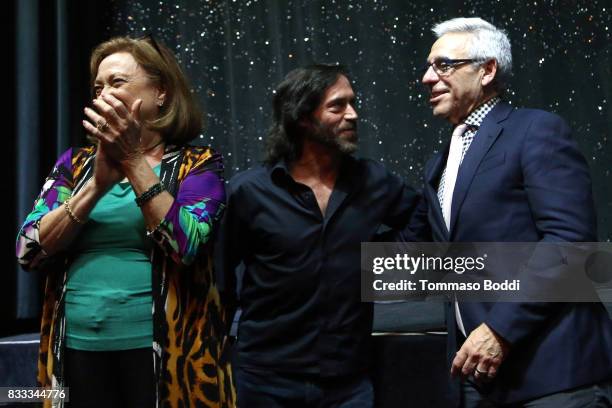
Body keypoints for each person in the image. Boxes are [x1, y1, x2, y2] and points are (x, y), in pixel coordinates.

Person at [16, 36, 235, 408]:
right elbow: (28, 251)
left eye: (116, 83)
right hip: (76, 349)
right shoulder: (74, 164)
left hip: (166, 356)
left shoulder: (197, 164)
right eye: (97, 87)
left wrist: (133, 160)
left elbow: (186, 247)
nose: (102, 94)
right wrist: (96, 187)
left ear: (161, 92)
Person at [414, 17, 612, 406]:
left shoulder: (536, 130)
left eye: (443, 65)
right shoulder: (438, 164)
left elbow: (569, 245)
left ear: (487, 70)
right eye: (427, 66)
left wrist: (499, 330)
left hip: (555, 378)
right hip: (479, 384)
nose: (426, 77)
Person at [216, 64, 421, 407]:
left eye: (353, 103)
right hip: (265, 380)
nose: (353, 115)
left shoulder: (373, 181)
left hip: (348, 382)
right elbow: (220, 279)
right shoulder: (249, 192)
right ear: (303, 118)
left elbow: (420, 219)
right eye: (337, 106)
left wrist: (373, 259)